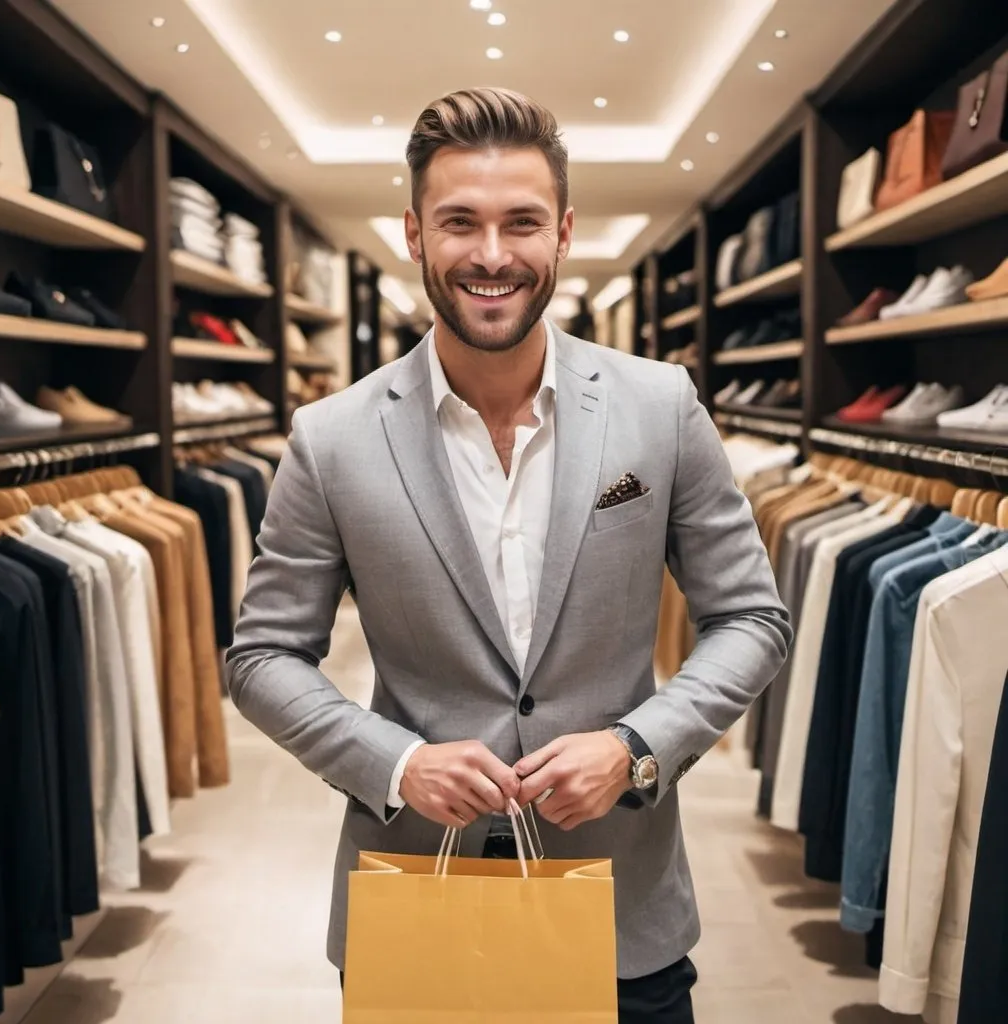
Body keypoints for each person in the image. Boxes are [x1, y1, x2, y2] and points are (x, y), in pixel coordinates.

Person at [226, 86, 791, 1024]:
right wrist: (398, 763)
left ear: (563, 231)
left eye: (521, 222)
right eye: (460, 222)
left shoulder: (661, 407)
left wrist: (636, 748)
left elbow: (753, 619)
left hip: (624, 909)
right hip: (416, 897)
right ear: (413, 234)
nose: (492, 256)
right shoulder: (330, 438)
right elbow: (262, 658)